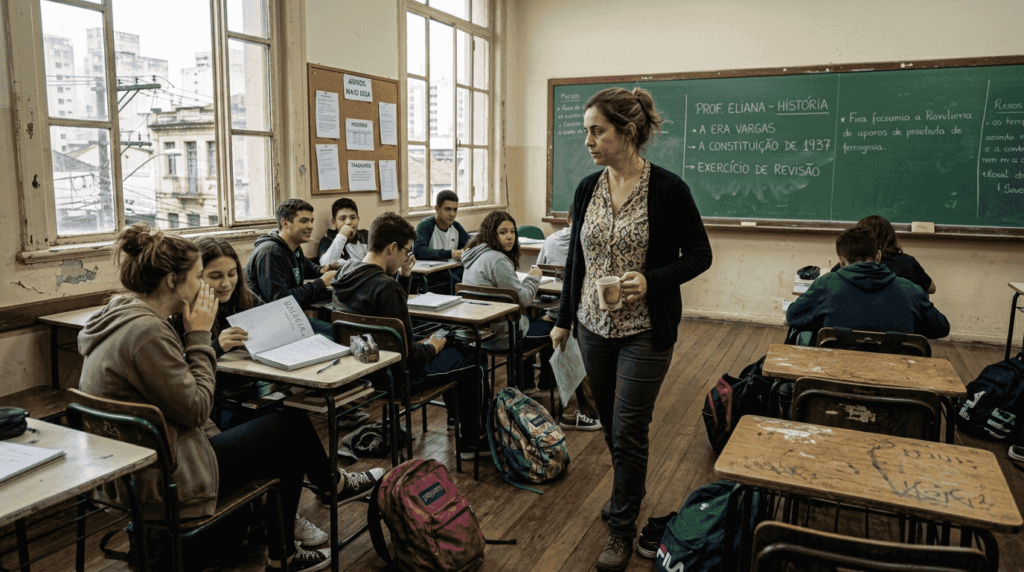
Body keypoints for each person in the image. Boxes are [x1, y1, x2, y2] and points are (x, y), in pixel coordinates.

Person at [78, 223, 383, 572]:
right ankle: (319, 504)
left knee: (276, 427)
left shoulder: (121, 316)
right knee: (289, 426)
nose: (204, 287)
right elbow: (195, 408)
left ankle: (296, 535)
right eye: (197, 276)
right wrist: (198, 335)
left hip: (135, 471)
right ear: (172, 283)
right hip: (167, 477)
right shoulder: (147, 332)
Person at [550, 87, 712, 571]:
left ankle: (622, 527)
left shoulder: (667, 189)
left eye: (597, 131)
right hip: (591, 325)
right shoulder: (586, 188)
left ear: (627, 131)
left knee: (629, 427)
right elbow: (575, 260)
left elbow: (700, 255)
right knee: (611, 425)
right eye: (586, 131)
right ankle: (628, 492)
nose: (588, 141)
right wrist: (562, 320)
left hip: (645, 329)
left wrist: (653, 280)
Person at [331, 212, 485, 458]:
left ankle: (458, 421)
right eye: (405, 251)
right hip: (399, 379)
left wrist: (403, 276)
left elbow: (384, 318)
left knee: (444, 345)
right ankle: (471, 441)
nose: (406, 256)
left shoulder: (345, 274)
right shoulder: (386, 287)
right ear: (392, 247)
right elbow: (410, 357)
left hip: (365, 371)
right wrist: (432, 346)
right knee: (472, 357)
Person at [787, 226, 950, 342]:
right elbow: (941, 329)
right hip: (895, 383)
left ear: (841, 261)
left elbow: (793, 315)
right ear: (878, 256)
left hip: (834, 380)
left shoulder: (826, 285)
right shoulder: (911, 290)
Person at [461, 210, 555, 393]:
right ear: (491, 233)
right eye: (503, 232)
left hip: (478, 334)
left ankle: (525, 383)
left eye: (512, 231)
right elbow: (525, 299)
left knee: (526, 320)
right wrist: (534, 277)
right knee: (555, 330)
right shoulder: (497, 260)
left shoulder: (473, 257)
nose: (510, 237)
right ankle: (547, 384)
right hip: (502, 335)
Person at [534, 204, 601, 431]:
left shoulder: (551, 239)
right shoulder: (592, 240)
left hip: (553, 311)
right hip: (582, 316)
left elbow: (539, 271)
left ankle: (545, 380)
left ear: (567, 219)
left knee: (546, 321)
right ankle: (591, 410)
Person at [245, 199, 337, 309]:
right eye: (304, 221)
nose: (311, 226)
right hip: (269, 318)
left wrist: (321, 270)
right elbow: (280, 300)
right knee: (333, 327)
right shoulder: (270, 253)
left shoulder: (294, 247)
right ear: (285, 224)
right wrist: (321, 283)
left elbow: (306, 266)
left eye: (311, 221)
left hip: (288, 314)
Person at [827, 215, 936, 294]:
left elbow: (829, 284)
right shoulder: (908, 262)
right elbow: (931, 288)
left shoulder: (847, 266)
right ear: (891, 236)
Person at [414, 190, 470, 261]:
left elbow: (468, 242)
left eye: (455, 210)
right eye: (448, 209)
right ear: (437, 209)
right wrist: (450, 254)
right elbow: (418, 251)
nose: (452, 214)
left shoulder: (456, 226)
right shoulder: (425, 226)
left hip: (451, 269)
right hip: (432, 271)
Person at [318, 198, 369, 267]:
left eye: (353, 218)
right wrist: (341, 236)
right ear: (334, 223)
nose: (349, 222)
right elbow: (325, 265)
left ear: (358, 219)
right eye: (342, 219)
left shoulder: (366, 235)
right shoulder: (328, 239)